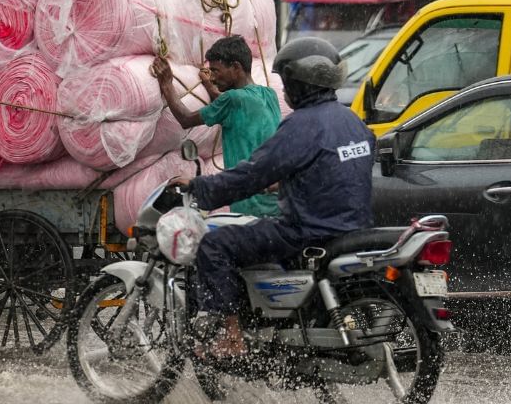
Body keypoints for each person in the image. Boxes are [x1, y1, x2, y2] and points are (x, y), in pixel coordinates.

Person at [171, 37, 374, 358]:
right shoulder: (351, 121)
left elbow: (252, 173)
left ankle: (231, 336)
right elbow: (333, 170)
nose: (283, 90)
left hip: (307, 228)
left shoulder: (301, 125)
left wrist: (200, 188)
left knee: (214, 245)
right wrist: (288, 184)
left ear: (299, 84)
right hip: (352, 226)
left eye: (286, 82)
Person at [150, 35, 281, 217]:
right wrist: (209, 86)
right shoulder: (268, 95)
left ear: (236, 67)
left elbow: (185, 118)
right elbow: (230, 103)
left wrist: (167, 84)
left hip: (249, 205)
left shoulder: (232, 99)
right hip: (273, 203)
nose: (214, 77)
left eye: (217, 71)